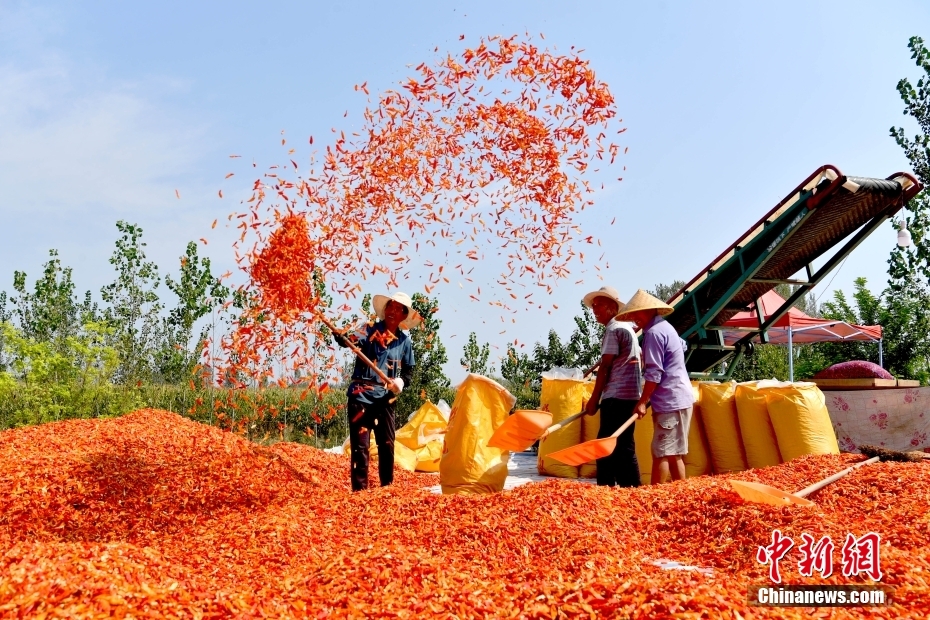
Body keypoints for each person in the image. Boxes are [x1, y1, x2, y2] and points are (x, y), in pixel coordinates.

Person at [334, 292, 420, 491]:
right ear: (385, 309)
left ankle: (386, 488)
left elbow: (409, 371)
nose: (393, 311)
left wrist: (400, 382)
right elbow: (351, 341)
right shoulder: (369, 329)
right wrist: (341, 337)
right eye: (391, 306)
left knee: (387, 444)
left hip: (385, 398)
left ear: (403, 315)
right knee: (360, 447)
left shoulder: (404, 342)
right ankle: (360, 491)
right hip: (361, 394)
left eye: (399, 309)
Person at [617, 289, 694, 484]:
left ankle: (653, 499)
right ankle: (682, 495)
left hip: (671, 400)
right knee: (673, 452)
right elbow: (682, 346)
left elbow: (654, 374)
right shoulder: (667, 328)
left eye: (637, 313)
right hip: (678, 399)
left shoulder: (653, 333)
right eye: (632, 315)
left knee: (661, 451)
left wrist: (642, 402)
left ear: (650, 310)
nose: (635, 319)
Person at [582, 286, 643, 487]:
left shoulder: (613, 329)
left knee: (605, 448)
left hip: (617, 397)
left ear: (612, 307)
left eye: (599, 305)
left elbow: (606, 367)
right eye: (594, 306)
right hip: (630, 395)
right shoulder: (627, 329)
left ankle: (606, 491)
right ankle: (631, 490)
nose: (595, 310)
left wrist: (594, 399)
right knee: (623, 446)